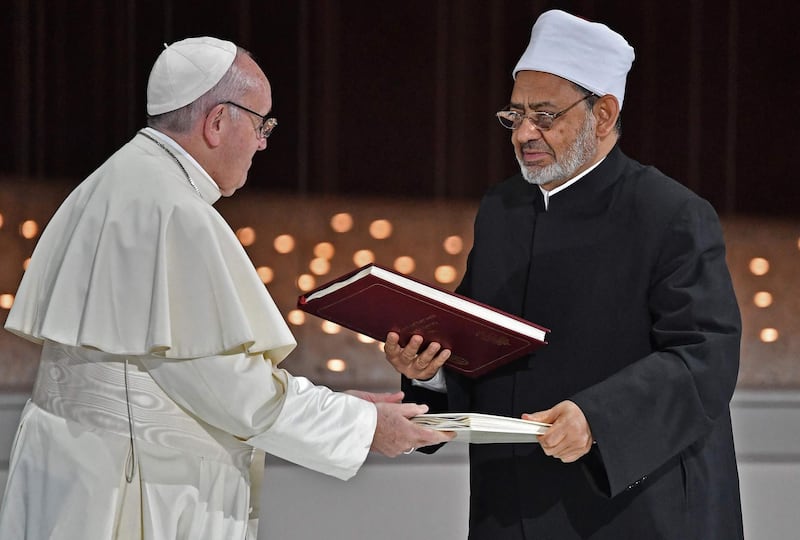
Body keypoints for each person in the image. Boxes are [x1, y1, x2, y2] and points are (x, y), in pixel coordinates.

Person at [0, 36, 451, 539]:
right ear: (216, 122)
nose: (262, 142)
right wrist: (362, 428)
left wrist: (349, 407)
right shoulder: (175, 213)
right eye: (261, 124)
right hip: (132, 485)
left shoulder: (112, 184)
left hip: (71, 475)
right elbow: (235, 391)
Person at [384, 10, 743, 540]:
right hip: (511, 506)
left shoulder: (670, 213)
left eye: (545, 115)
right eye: (515, 116)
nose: (523, 133)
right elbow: (479, 336)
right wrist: (428, 370)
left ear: (603, 114)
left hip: (636, 508)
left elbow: (704, 357)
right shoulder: (502, 209)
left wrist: (597, 418)